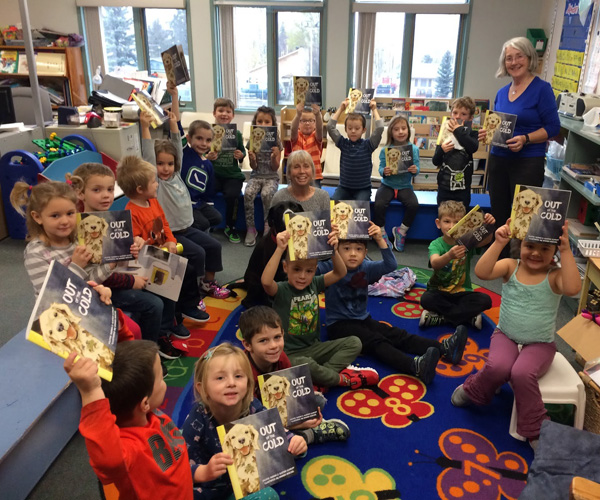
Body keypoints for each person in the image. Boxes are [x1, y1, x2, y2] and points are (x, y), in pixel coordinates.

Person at [451, 220, 581, 449]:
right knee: (498, 367)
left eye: (544, 249)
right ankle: (474, 389)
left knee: (521, 373)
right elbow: (482, 272)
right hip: (506, 335)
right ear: (520, 245)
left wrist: (567, 250)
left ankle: (535, 428)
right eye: (529, 246)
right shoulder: (511, 265)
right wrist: (499, 242)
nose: (536, 253)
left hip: (540, 344)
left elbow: (573, 289)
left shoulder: (554, 275)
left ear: (553, 252)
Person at [318, 222, 468, 385]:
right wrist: (326, 244)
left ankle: (445, 349)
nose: (353, 254)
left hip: (362, 318)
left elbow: (391, 265)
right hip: (339, 325)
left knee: (395, 334)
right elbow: (310, 268)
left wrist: (380, 239)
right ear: (337, 251)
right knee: (377, 342)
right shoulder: (329, 266)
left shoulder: (366, 267)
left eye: (359, 249)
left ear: (365, 252)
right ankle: (415, 367)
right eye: (346, 249)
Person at [64, 340, 193, 499]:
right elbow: (108, 461)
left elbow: (132, 360)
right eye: (161, 379)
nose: (164, 382)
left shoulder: (144, 411)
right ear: (144, 403)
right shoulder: (129, 446)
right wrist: (91, 392)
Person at [182, 342, 307, 500]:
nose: (231, 383)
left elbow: (273, 431)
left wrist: (294, 440)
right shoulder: (197, 419)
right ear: (202, 388)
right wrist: (205, 471)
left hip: (248, 478)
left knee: (274, 483)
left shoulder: (251, 405)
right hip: (212, 487)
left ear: (248, 382)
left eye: (238, 376)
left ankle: (311, 434)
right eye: (220, 378)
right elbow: (181, 469)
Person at [141, 90, 230, 303]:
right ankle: (194, 293)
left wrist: (173, 123)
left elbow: (177, 149)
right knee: (198, 254)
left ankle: (207, 284)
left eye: (169, 164)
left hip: (187, 227)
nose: (165, 168)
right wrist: (144, 126)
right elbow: (147, 154)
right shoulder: (157, 182)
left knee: (214, 246)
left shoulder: (177, 175)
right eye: (160, 164)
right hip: (172, 233)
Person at [261, 228, 379, 390]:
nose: (302, 276)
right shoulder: (282, 289)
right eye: (296, 269)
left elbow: (340, 272)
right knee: (302, 363)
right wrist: (280, 248)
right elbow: (266, 282)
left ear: (315, 271)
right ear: (285, 267)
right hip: (290, 353)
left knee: (354, 343)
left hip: (315, 347)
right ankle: (339, 379)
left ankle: (322, 377)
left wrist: (333, 250)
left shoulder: (315, 283)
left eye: (309, 271)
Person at [116, 155, 209, 351]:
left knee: (188, 270)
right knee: (169, 284)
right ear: (140, 190)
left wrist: (171, 240)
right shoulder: (131, 213)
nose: (157, 185)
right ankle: (165, 330)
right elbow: (137, 251)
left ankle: (184, 311)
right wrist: (158, 249)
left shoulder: (153, 202)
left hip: (163, 254)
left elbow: (165, 224)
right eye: (153, 182)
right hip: (148, 262)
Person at [479, 37, 560, 256]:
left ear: (529, 58)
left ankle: (519, 265)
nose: (514, 62)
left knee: (523, 218)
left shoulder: (542, 89)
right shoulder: (502, 92)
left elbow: (553, 127)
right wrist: (488, 133)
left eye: (519, 56)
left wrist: (526, 138)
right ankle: (500, 262)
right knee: (499, 212)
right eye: (509, 58)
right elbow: (498, 125)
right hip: (498, 159)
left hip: (527, 161)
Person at [70, 162, 165, 345]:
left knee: (162, 286)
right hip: (100, 287)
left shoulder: (113, 221)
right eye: (97, 190)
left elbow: (122, 259)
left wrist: (135, 245)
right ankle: (147, 352)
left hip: (118, 277)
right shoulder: (80, 229)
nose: (106, 195)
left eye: (110, 189)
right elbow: (99, 275)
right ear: (81, 193)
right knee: (154, 304)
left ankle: (163, 334)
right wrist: (131, 281)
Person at [239, 305, 351, 444]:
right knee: (268, 446)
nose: (274, 345)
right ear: (247, 345)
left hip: (274, 406)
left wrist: (301, 414)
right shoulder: (242, 373)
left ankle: (301, 432)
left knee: (316, 402)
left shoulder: (281, 358)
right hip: (250, 415)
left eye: (277, 337)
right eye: (263, 341)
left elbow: (289, 396)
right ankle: (309, 435)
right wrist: (297, 424)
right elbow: (252, 418)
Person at [11, 181, 114, 295]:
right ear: (37, 217)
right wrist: (76, 266)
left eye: (70, 213)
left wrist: (111, 263)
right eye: (55, 215)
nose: (65, 221)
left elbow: (88, 281)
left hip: (86, 301)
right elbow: (51, 294)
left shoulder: (78, 240)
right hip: (58, 310)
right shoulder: (36, 253)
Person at [420, 201, 495, 330]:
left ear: (464, 225)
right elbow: (435, 263)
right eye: (447, 222)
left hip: (462, 293)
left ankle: (442, 318)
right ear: (438, 223)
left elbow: (485, 241)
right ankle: (467, 317)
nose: (451, 226)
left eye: (457, 222)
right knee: (426, 299)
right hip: (439, 292)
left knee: (486, 300)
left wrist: (489, 226)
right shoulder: (436, 244)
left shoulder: (467, 241)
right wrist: (449, 255)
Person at [373, 115, 420, 252]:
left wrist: (414, 170)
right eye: (396, 129)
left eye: (403, 128)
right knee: (379, 204)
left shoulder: (414, 150)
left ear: (408, 130)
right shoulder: (385, 150)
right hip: (387, 185)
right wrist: (384, 171)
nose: (400, 132)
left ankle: (401, 231)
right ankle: (380, 232)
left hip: (405, 186)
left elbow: (417, 169)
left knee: (414, 205)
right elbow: (381, 168)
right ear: (391, 133)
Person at [326, 97, 384, 201]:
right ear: (345, 129)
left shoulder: (368, 145)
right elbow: (330, 127)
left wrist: (374, 109)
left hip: (363, 189)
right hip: (344, 188)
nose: (353, 131)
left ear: (363, 130)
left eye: (357, 128)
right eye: (350, 128)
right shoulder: (343, 144)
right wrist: (341, 108)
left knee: (361, 210)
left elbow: (379, 128)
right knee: (333, 205)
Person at [206, 98, 247, 244]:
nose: (224, 114)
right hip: (214, 174)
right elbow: (202, 154)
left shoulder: (237, 134)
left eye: (228, 111)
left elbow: (242, 152)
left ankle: (230, 226)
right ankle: (207, 224)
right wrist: (207, 156)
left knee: (232, 195)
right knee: (205, 192)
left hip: (232, 175)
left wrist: (241, 155)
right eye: (221, 111)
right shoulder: (208, 133)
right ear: (214, 113)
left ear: (233, 115)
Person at [432, 96, 479, 211]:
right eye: (455, 113)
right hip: (444, 187)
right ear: (451, 113)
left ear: (470, 117)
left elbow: (473, 147)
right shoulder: (444, 132)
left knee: (460, 220)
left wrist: (458, 130)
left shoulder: (472, 133)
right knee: (444, 217)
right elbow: (435, 161)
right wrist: (442, 150)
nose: (458, 116)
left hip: (463, 189)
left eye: (463, 114)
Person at [244, 106, 282, 247]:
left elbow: (275, 167)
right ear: (255, 123)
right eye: (260, 121)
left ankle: (268, 225)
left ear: (273, 124)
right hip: (256, 175)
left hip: (271, 177)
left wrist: (274, 156)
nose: (263, 125)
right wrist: (252, 158)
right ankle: (251, 228)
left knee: (267, 194)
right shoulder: (253, 141)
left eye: (267, 122)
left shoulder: (276, 142)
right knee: (248, 193)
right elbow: (253, 167)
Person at [181, 119, 222, 231]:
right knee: (203, 223)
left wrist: (208, 207)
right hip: (185, 204)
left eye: (208, 140)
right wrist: (174, 101)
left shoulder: (208, 164)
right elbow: (176, 126)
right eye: (199, 138)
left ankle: (197, 230)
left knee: (217, 218)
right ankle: (185, 231)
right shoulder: (185, 153)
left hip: (199, 203)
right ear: (189, 138)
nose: (204, 144)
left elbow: (208, 191)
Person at [290, 100, 323, 187]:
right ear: (299, 124)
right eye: (303, 121)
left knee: (315, 198)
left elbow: (320, 129)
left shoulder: (316, 137)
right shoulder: (296, 137)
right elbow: (293, 129)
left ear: (315, 123)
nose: (307, 123)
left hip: (314, 177)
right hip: (296, 176)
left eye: (311, 120)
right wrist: (298, 115)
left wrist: (318, 115)